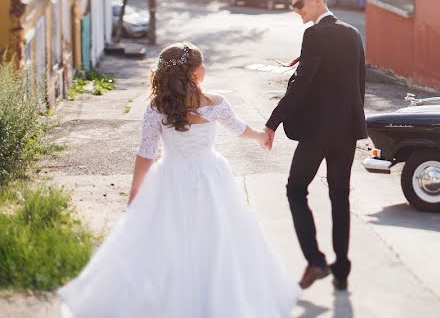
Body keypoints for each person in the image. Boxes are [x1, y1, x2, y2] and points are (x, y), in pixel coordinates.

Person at [57, 42, 299, 318]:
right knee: (216, 238)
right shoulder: (215, 103)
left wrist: (136, 190)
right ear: (195, 73)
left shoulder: (156, 108)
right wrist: (261, 137)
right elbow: (238, 129)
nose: (205, 67)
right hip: (210, 177)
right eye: (202, 63)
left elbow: (146, 153)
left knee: (165, 240)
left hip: (169, 177)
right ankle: (211, 299)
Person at [264, 0, 367, 292]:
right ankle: (342, 270)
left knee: (296, 190)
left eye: (298, 4)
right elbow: (360, 85)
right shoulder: (353, 34)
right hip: (346, 132)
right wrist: (355, 126)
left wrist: (272, 122)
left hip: (318, 133)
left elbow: (302, 84)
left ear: (317, 0)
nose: (296, 11)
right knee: (340, 197)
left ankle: (316, 261)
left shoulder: (315, 34)